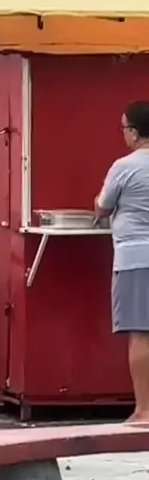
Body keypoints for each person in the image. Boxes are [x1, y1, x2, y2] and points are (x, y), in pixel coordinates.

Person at [95, 100, 149, 424]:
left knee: (141, 332)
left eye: (124, 128)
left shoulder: (125, 166)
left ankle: (145, 410)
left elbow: (103, 206)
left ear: (135, 132)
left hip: (136, 258)